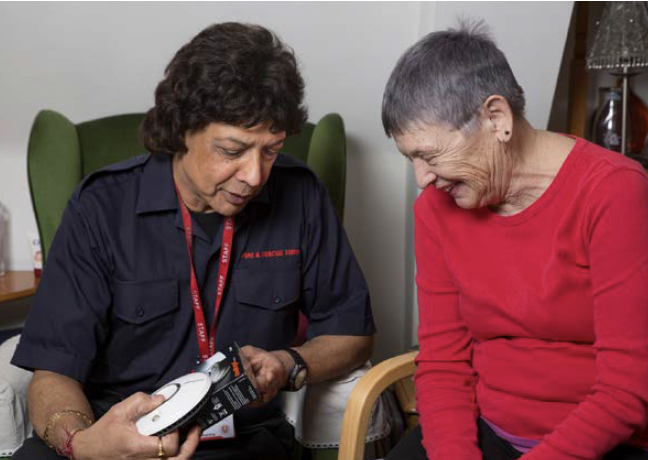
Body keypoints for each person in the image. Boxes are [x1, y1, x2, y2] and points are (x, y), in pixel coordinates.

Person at [11, 22, 375, 460]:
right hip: (110, 431)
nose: (255, 176)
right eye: (232, 150)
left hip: (240, 441)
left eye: (271, 150)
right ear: (182, 129)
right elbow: (53, 371)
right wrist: (84, 443)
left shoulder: (301, 194)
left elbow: (351, 331)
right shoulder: (100, 207)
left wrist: (291, 363)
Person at [380, 21, 648, 460]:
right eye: (410, 159)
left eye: (428, 155)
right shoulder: (436, 207)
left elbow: (627, 393)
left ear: (496, 118)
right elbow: (444, 364)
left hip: (621, 440)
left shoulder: (616, 195)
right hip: (493, 431)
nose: (422, 178)